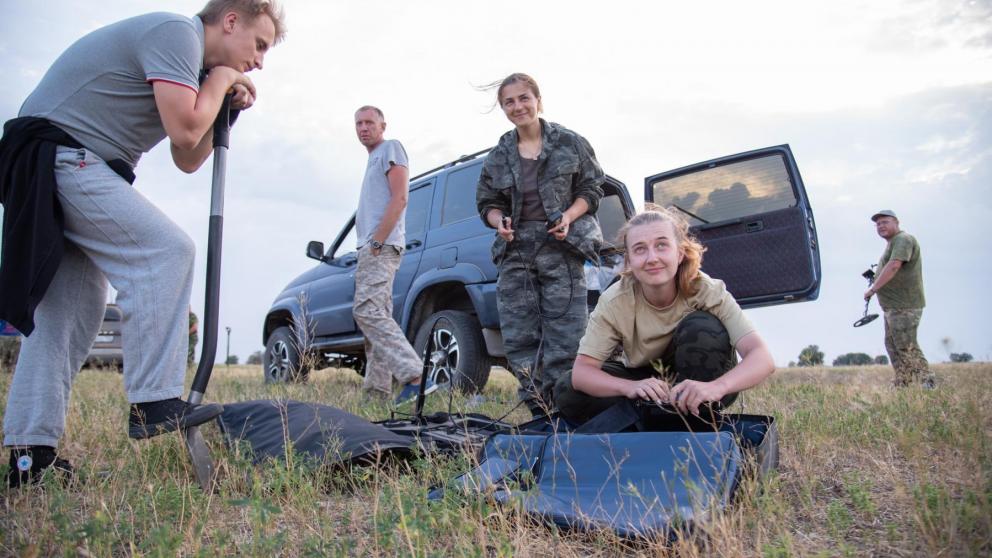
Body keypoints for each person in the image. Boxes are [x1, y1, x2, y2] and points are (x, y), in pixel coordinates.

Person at [0, 0, 286, 488]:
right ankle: (153, 401)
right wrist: (219, 81)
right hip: (59, 152)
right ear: (231, 21)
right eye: (258, 45)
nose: (259, 61)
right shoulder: (178, 35)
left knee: (70, 314)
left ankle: (30, 459)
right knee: (167, 251)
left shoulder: (192, 65)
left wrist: (225, 109)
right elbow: (185, 127)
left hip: (71, 163)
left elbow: (187, 157)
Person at [554, 207, 776, 424]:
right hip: (643, 380)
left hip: (699, 381)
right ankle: (650, 421)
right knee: (566, 389)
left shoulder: (708, 290)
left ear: (679, 253)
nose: (652, 258)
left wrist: (716, 387)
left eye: (661, 245)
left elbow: (762, 357)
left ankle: (697, 420)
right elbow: (582, 373)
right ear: (629, 260)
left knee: (702, 327)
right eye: (640, 249)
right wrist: (631, 388)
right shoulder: (614, 300)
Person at [476, 73, 605, 416]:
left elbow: (592, 190)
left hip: (562, 248)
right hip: (516, 251)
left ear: (538, 100)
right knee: (520, 340)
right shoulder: (498, 156)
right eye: (509, 102)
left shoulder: (570, 143)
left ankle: (569, 413)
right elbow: (487, 203)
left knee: (567, 336)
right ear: (503, 108)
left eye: (523, 98)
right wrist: (498, 222)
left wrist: (569, 216)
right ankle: (540, 415)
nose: (517, 107)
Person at [352, 106, 436, 404]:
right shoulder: (372, 158)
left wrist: (375, 242)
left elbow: (400, 198)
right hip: (373, 247)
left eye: (369, 123)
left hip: (381, 247)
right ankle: (377, 394)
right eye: (358, 123)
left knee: (367, 312)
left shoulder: (391, 148)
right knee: (378, 317)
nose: (363, 128)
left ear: (382, 125)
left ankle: (414, 375)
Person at [864, 210, 934, 388]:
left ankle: (928, 384)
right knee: (893, 345)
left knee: (906, 345)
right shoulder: (892, 243)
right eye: (878, 224)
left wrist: (873, 289)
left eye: (885, 222)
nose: (881, 226)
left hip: (904, 305)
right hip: (893, 306)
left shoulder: (903, 239)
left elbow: (894, 265)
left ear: (897, 222)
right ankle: (903, 383)